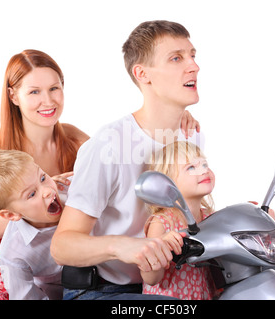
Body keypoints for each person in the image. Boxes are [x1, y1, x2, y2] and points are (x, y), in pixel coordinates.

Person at [51, 20, 204, 300]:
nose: (193, 66)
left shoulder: (190, 135)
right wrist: (123, 246)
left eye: (192, 55)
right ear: (142, 74)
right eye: (176, 58)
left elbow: (191, 212)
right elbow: (62, 245)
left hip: (166, 284)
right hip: (103, 290)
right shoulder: (110, 145)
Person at [0, 49, 89, 300]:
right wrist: (28, 205)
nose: (48, 101)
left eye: (54, 88)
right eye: (34, 92)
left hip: (50, 265)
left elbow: (121, 172)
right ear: (13, 96)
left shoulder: (74, 139)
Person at [0, 149, 67, 300]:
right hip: (63, 292)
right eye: (31, 194)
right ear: (11, 214)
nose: (47, 191)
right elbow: (25, 296)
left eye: (43, 178)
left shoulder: (69, 190)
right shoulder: (13, 254)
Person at [141, 141, 218, 300]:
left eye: (204, 164)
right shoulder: (162, 223)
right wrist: (160, 248)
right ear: (168, 184)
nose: (203, 171)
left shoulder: (211, 217)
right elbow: (150, 279)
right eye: (191, 168)